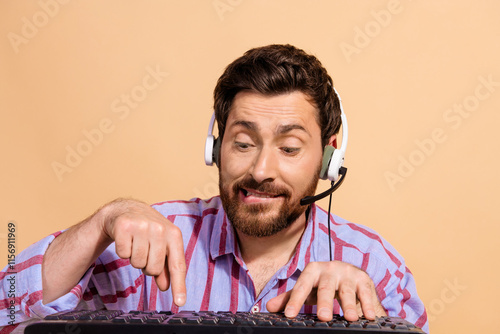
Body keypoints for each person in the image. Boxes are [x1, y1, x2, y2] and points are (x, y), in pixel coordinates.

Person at [0, 44, 428, 333]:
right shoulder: (146, 242)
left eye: (290, 147)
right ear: (215, 147)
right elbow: (8, 307)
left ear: (329, 158)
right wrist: (101, 222)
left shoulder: (376, 266)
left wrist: (369, 322)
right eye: (243, 143)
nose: (261, 169)